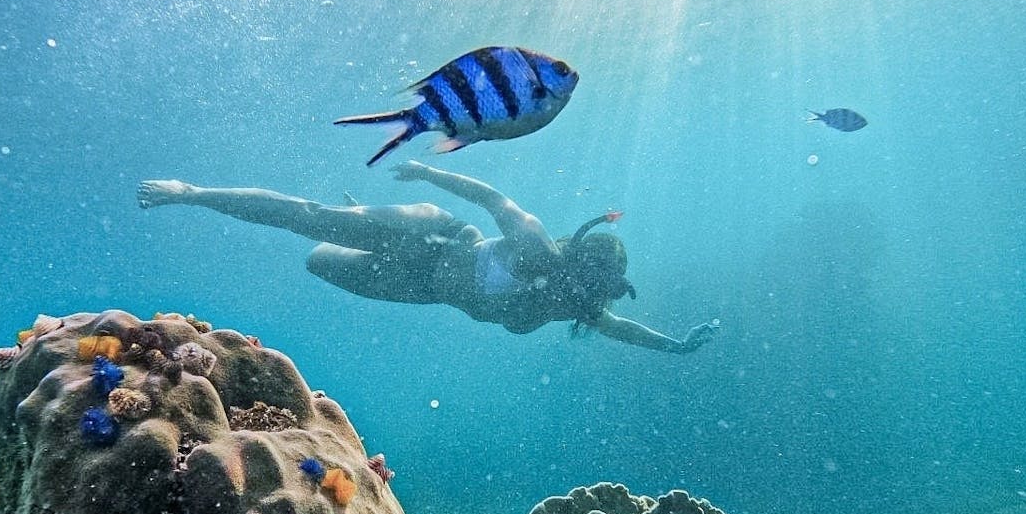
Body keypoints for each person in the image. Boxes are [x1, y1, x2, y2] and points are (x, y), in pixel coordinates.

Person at [137, 160, 718, 354]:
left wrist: (675, 346)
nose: (590, 298)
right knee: (313, 219)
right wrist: (426, 171)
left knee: (317, 259)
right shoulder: (533, 240)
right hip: (436, 237)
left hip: (425, 287)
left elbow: (622, 330)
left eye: (596, 291)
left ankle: (363, 214)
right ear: (577, 261)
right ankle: (190, 193)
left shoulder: (578, 304)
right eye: (591, 283)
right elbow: (489, 197)